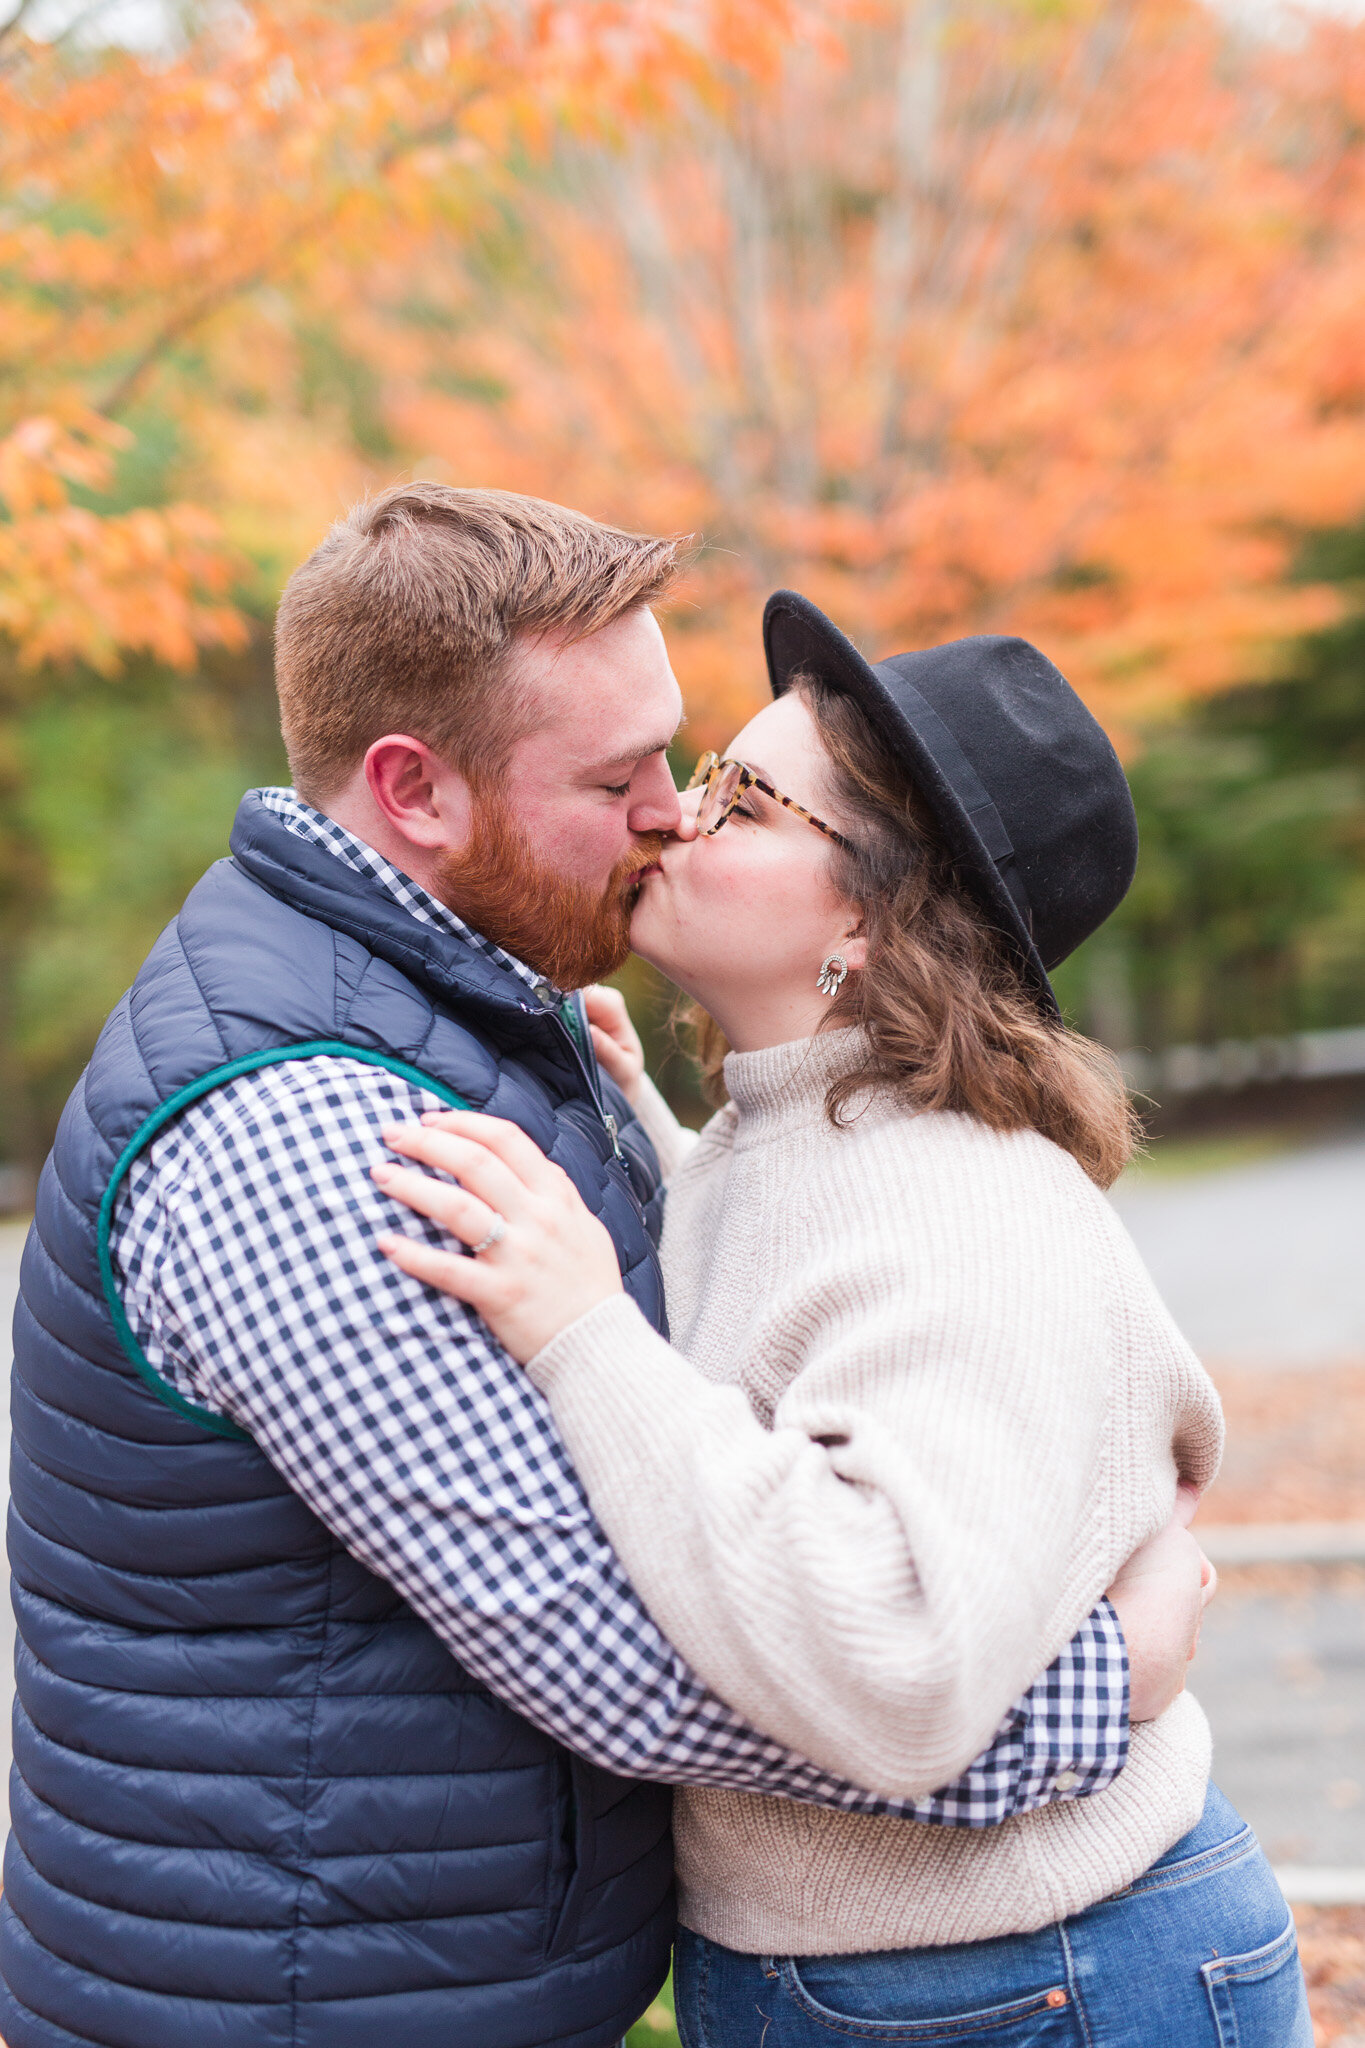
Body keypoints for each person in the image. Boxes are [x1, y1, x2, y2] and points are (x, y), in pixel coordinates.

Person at [4, 490, 1205, 2048]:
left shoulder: (484, 1019)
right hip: (310, 1999)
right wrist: (1093, 1694)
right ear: (413, 792)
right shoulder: (314, 1132)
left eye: (701, 771)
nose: (668, 812)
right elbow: (618, 1657)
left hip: (870, 1973)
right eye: (626, 774)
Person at [374, 587, 1310, 2046]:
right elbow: (798, 1337)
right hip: (896, 1974)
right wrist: (644, 1131)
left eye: (741, 799)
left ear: (870, 921)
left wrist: (581, 1332)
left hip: (1033, 1980)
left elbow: (893, 1654)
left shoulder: (964, 1207)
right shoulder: (791, 1141)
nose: (672, 817)